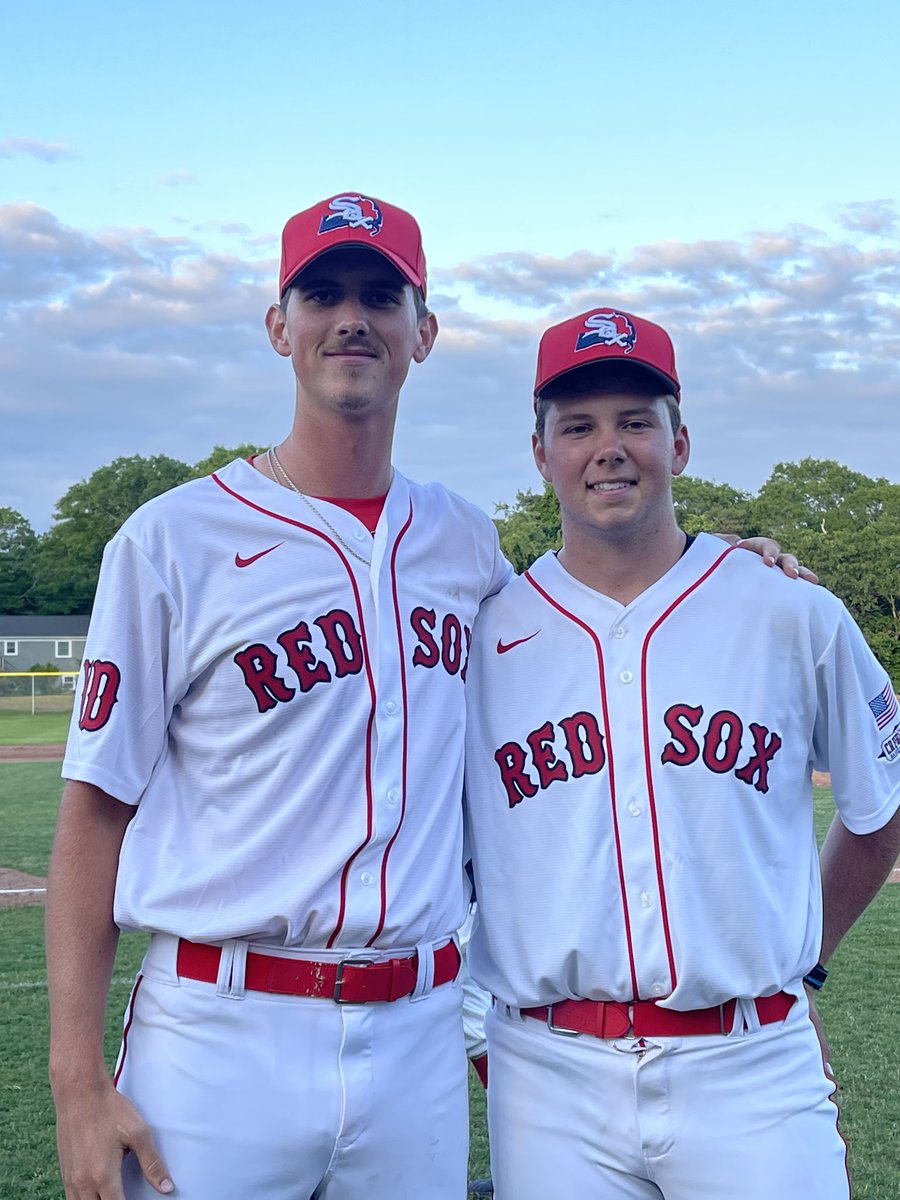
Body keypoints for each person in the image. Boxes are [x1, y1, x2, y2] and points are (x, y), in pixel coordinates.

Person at [46, 193, 806, 1200]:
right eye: (323, 293)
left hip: (415, 1034)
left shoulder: (464, 544)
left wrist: (725, 568)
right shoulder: (170, 539)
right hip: (219, 1026)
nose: (352, 317)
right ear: (281, 326)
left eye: (381, 294)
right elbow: (95, 812)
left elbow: (590, 612)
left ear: (425, 330)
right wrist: (75, 1082)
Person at [462, 306, 900, 1199]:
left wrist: (806, 961)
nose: (608, 447)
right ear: (540, 452)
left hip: (752, 1068)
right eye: (577, 426)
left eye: (636, 421)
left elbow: (881, 808)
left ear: (681, 440)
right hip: (550, 1073)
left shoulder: (789, 610)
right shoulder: (482, 631)